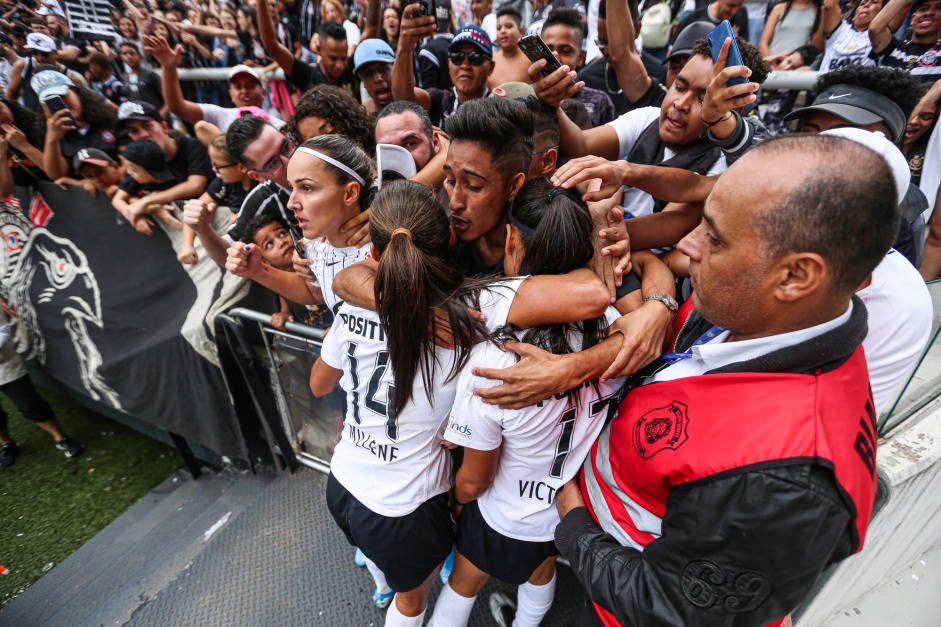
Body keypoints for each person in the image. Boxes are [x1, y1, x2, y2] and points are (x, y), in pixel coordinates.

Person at [429, 179, 626, 627]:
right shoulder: (616, 329)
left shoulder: (496, 360)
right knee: (540, 573)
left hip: (505, 514)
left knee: (464, 582)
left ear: (512, 239)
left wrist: (456, 501)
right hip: (567, 512)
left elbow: (476, 480)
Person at [309, 180, 476, 626]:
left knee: (384, 569)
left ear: (375, 252)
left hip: (342, 483)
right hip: (403, 507)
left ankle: (382, 587)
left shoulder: (355, 306)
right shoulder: (465, 328)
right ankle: (391, 593)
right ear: (448, 240)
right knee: (413, 601)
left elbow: (320, 385)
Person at [535, 35, 767, 218]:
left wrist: (599, 235)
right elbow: (582, 144)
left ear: (733, 110)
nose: (680, 104)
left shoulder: (724, 163)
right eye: (680, 87)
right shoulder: (649, 118)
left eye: (702, 99)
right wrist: (552, 104)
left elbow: (670, 223)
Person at [113, 100, 212, 239]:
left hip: (211, 220)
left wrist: (147, 201)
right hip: (179, 232)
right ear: (131, 137)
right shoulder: (139, 161)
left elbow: (196, 185)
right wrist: (147, 211)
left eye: (147, 126)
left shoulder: (191, 146)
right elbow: (118, 199)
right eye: (135, 131)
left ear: (164, 126)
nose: (143, 134)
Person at [145, 35, 286, 131]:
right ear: (231, 95)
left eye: (250, 86)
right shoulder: (221, 116)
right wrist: (169, 68)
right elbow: (177, 106)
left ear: (262, 92)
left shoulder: (278, 127)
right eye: (238, 87)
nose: (244, 91)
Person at [0, 314, 84, 467]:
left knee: (30, 404)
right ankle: (7, 444)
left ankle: (60, 438)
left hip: (5, 365)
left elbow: (5, 327)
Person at [393, 18, 495, 126]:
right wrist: (405, 48)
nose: (465, 65)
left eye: (475, 57)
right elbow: (404, 100)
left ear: (491, 67)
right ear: (448, 64)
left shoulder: (501, 105)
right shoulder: (440, 101)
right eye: (457, 57)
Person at [33, 70, 118, 181]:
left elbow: (130, 161)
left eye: (63, 96)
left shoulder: (109, 119)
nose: (63, 104)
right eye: (52, 101)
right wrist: (52, 139)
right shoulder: (58, 136)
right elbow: (57, 175)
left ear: (75, 92)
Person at [541, 8, 616, 127]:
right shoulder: (528, 100)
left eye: (565, 51)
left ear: (580, 57)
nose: (555, 58)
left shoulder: (600, 102)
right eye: (547, 51)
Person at [5, 33, 83, 111]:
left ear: (55, 53)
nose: (39, 58)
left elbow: (80, 104)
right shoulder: (23, 65)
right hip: (32, 118)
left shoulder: (70, 77)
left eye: (44, 54)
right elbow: (11, 93)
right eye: (35, 53)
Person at [288, 85, 377, 151]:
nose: (327, 146)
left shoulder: (381, 143)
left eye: (329, 133)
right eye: (316, 144)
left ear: (348, 120)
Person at [870, 0, 941, 83]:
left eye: (939, 8)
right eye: (923, 9)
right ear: (912, 19)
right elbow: (874, 29)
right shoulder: (893, 48)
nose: (929, 13)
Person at [119, 42, 166, 118]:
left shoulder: (151, 75)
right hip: (138, 119)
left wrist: (161, 115)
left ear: (140, 57)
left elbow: (168, 99)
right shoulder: (124, 78)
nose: (128, 56)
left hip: (155, 117)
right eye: (124, 54)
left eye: (132, 53)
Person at [488, 7, 531, 87]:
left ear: (520, 31)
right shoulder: (491, 60)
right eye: (498, 28)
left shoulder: (530, 60)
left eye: (508, 26)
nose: (503, 31)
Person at [352, 38, 396, 113]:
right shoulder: (361, 117)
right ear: (362, 80)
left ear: (395, 68)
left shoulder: (416, 100)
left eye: (383, 70)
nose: (377, 79)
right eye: (369, 74)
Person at [674, 0, 750, 41]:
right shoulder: (694, 20)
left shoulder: (741, 14)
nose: (734, 11)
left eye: (739, 5)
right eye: (731, 5)